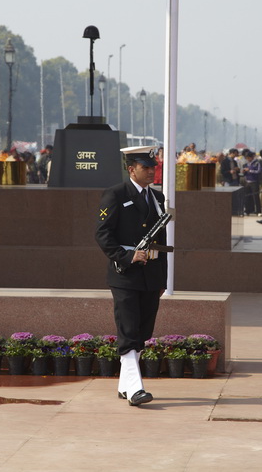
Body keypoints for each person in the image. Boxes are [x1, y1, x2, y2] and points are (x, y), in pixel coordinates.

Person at [94, 146, 169, 407]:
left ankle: (125, 385)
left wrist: (163, 279)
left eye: (152, 167)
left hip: (151, 275)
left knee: (142, 332)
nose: (151, 171)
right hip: (125, 274)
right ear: (131, 169)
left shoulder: (157, 198)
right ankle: (136, 389)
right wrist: (126, 257)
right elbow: (103, 234)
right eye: (145, 167)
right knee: (128, 330)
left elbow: (161, 241)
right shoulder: (116, 194)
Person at [242, 151, 262, 216]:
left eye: (248, 158)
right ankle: (247, 210)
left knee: (256, 197)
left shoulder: (256, 163)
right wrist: (244, 171)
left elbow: (258, 171)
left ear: (252, 157)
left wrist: (250, 171)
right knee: (247, 197)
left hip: (254, 181)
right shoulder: (246, 164)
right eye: (246, 158)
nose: (248, 159)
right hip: (247, 181)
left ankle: (258, 211)